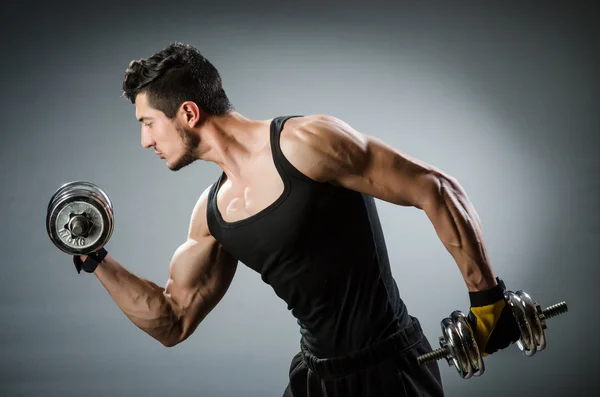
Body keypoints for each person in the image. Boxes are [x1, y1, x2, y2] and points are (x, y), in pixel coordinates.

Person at [73, 42, 521, 396]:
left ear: (188, 113)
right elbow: (174, 321)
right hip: (315, 378)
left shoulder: (306, 143)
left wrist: (487, 300)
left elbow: (434, 188)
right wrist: (96, 259)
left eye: (149, 122)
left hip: (390, 369)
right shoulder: (211, 216)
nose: (144, 140)